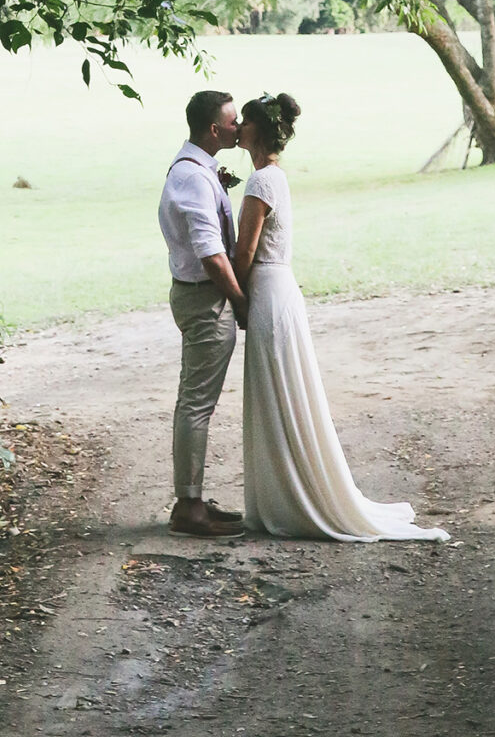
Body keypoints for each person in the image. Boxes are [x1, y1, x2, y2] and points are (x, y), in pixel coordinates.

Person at [234, 91, 448, 543]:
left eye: (243, 122)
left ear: (257, 129)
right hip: (279, 289)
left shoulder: (260, 184)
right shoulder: (274, 177)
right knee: (283, 393)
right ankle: (288, 491)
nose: (236, 128)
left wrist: (231, 296)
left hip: (268, 293)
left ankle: (294, 498)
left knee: (280, 394)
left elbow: (246, 252)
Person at [157, 88, 247, 537]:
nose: (239, 127)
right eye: (232, 122)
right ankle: (188, 507)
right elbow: (212, 255)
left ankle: (191, 497)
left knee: (195, 401)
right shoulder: (193, 177)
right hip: (204, 299)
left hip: (195, 293)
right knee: (196, 404)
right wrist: (240, 301)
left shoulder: (196, 168)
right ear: (214, 129)